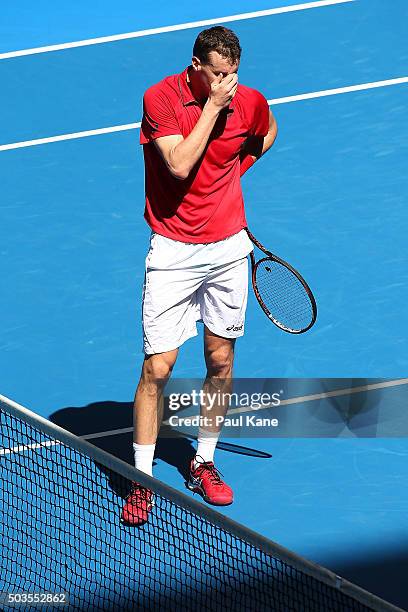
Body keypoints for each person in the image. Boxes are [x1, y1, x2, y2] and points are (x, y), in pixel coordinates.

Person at [121, 26, 277, 525]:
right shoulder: (162, 98)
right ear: (196, 66)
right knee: (158, 369)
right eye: (217, 73)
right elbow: (180, 165)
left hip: (229, 246)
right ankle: (142, 480)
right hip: (173, 250)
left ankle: (203, 461)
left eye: (233, 74)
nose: (227, 83)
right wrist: (211, 108)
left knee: (221, 360)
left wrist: (234, 174)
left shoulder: (248, 101)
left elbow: (267, 132)